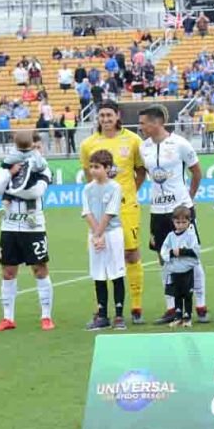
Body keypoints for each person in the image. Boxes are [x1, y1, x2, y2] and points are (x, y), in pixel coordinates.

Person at [79, 100, 146, 324]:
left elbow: (140, 171)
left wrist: (128, 193)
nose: (106, 120)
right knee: (100, 254)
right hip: (100, 210)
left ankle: (136, 306)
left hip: (127, 207)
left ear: (118, 116)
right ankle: (103, 309)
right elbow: (89, 177)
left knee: (131, 254)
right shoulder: (88, 144)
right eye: (102, 116)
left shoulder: (133, 140)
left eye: (110, 115)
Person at [139, 105, 205, 325]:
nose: (141, 127)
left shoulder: (180, 144)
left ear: (157, 122)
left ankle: (200, 305)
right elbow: (146, 173)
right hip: (157, 211)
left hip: (180, 209)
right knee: (163, 257)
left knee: (191, 256)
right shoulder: (144, 147)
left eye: (143, 123)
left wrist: (190, 198)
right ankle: (171, 308)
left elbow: (196, 171)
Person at [0, 130, 54, 332]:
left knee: (40, 268)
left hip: (33, 225)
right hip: (9, 226)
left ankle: (46, 316)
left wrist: (12, 189)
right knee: (8, 271)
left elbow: (36, 192)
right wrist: (10, 174)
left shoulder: (43, 168)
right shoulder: (8, 165)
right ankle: (8, 318)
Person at [81, 149, 127, 331]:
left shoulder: (115, 187)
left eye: (97, 167)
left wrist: (99, 234)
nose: (93, 170)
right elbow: (87, 213)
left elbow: (110, 213)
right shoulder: (87, 189)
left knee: (116, 273)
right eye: (91, 167)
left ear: (107, 168)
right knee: (98, 273)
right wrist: (96, 235)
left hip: (112, 234)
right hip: (95, 235)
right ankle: (102, 315)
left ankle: (119, 315)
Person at [159, 206, 199, 329]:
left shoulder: (191, 235)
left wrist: (181, 251)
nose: (180, 225)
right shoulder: (171, 236)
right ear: (173, 222)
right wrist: (171, 253)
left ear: (189, 221)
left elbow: (196, 251)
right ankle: (178, 316)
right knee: (177, 294)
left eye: (184, 222)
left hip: (186, 271)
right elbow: (164, 251)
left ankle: (187, 317)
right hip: (175, 271)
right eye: (178, 222)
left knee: (187, 294)